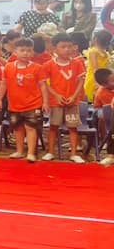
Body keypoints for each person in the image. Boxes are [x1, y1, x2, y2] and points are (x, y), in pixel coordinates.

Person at [0, 38, 48, 163]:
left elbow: (43, 85)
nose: (26, 53)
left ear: (33, 52)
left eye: (29, 50)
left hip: (33, 104)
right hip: (14, 105)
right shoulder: (8, 67)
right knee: (18, 128)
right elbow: (4, 83)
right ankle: (19, 151)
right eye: (22, 50)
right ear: (15, 52)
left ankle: (31, 153)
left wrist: (46, 102)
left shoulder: (37, 68)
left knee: (31, 128)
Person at [41, 33, 86, 163]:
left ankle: (74, 153)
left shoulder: (77, 63)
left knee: (73, 127)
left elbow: (81, 81)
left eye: (69, 46)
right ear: (55, 48)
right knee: (53, 127)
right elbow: (44, 83)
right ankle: (50, 152)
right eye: (63, 47)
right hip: (56, 102)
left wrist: (74, 96)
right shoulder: (49, 64)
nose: (67, 49)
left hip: (73, 102)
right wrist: (56, 95)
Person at [85, 31, 112, 104]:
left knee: (94, 99)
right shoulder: (105, 53)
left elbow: (95, 68)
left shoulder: (93, 51)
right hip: (101, 77)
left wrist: (97, 82)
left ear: (95, 39)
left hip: (94, 77)